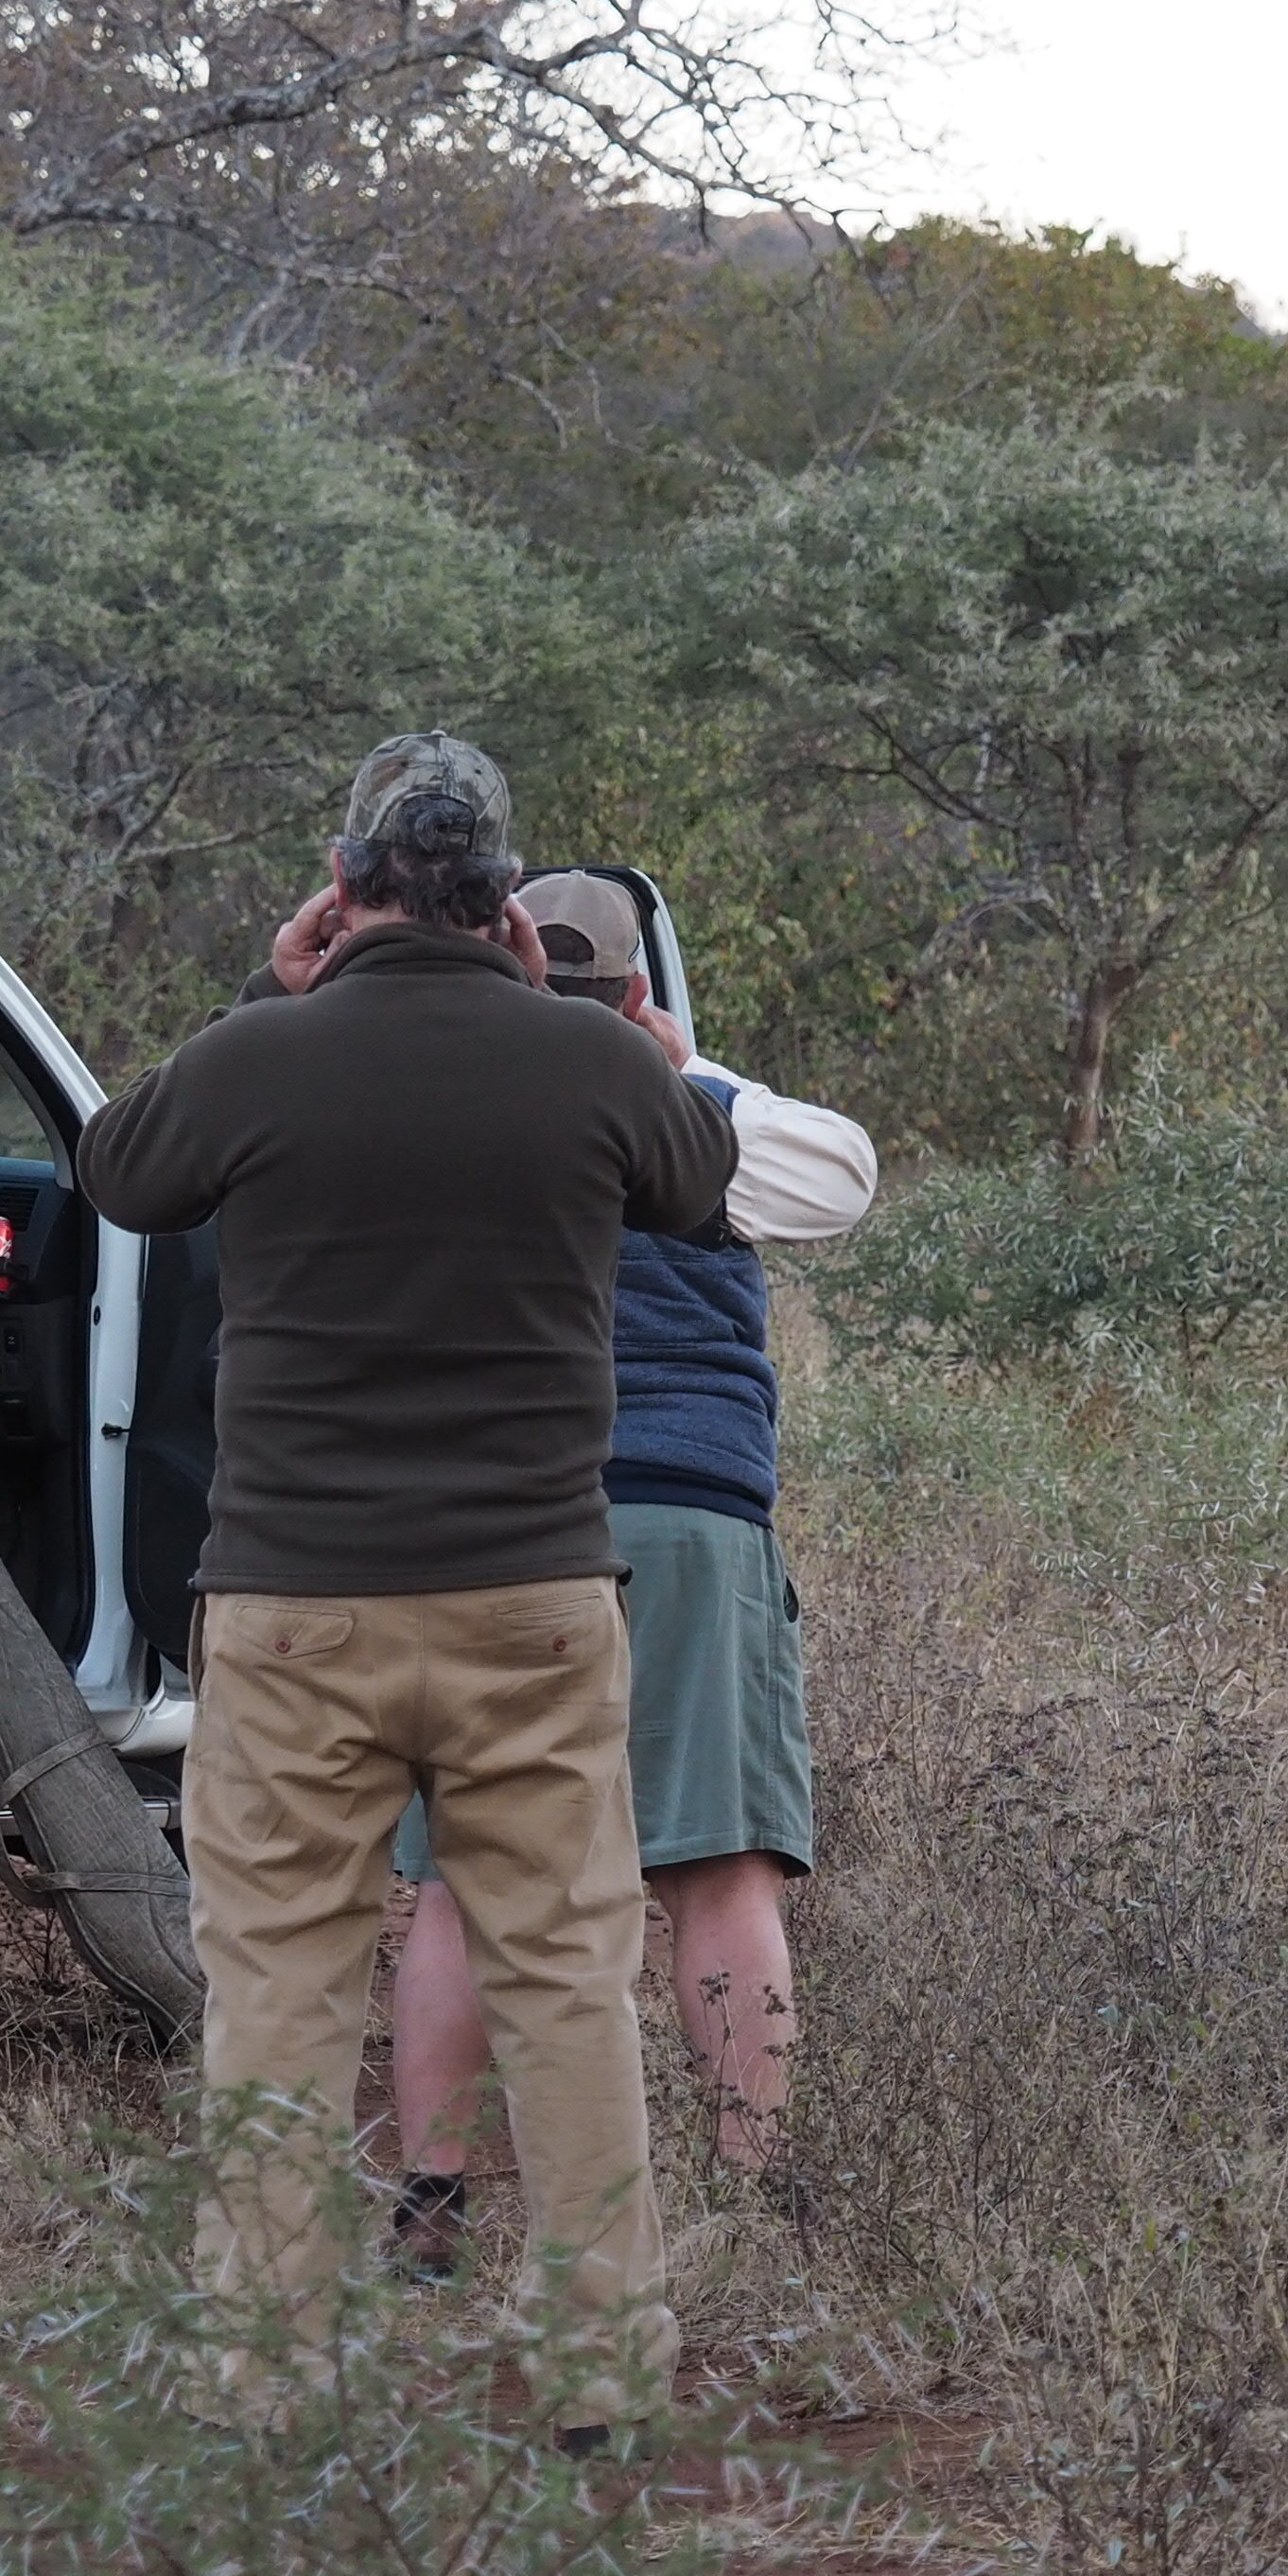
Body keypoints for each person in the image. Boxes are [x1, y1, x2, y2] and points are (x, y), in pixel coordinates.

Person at [73, 737, 738, 2425]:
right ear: (506, 905)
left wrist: (262, 985)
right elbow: (700, 1180)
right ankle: (598, 2372)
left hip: (294, 1607)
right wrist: (620, 1029)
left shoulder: (256, 1055)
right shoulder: (585, 1069)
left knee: (282, 1987)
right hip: (528, 1597)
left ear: (340, 881)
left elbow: (117, 1168)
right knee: (566, 1980)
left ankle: (264, 2378)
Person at [387, 867, 874, 2265]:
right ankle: (748, 2190)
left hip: (496, 1527)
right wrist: (681, 1072)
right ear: (645, 990)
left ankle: (432, 2205)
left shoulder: (447, 1109)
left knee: (461, 1881)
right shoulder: (697, 1109)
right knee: (721, 1875)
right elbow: (841, 1175)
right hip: (688, 1519)